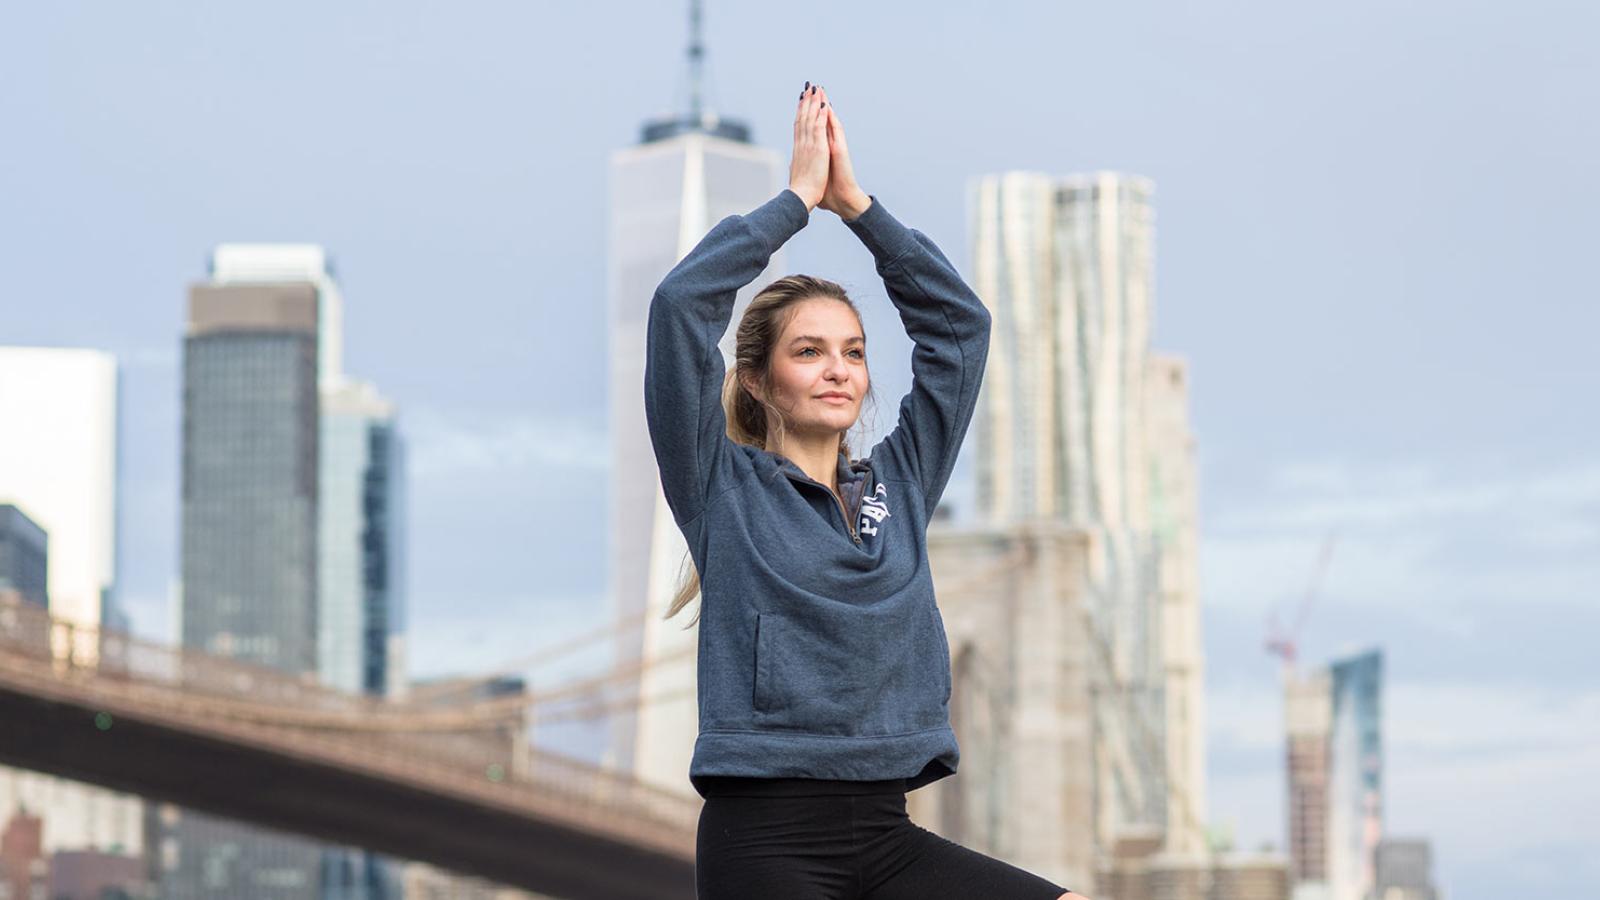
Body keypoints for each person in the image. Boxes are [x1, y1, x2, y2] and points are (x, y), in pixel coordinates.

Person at [643, 82, 1091, 900]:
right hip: (765, 839)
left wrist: (859, 208)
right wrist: (795, 204)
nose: (838, 369)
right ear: (758, 378)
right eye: (809, 352)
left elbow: (961, 329)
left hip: (888, 833)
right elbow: (678, 308)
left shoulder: (903, 481)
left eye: (851, 351)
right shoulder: (722, 487)